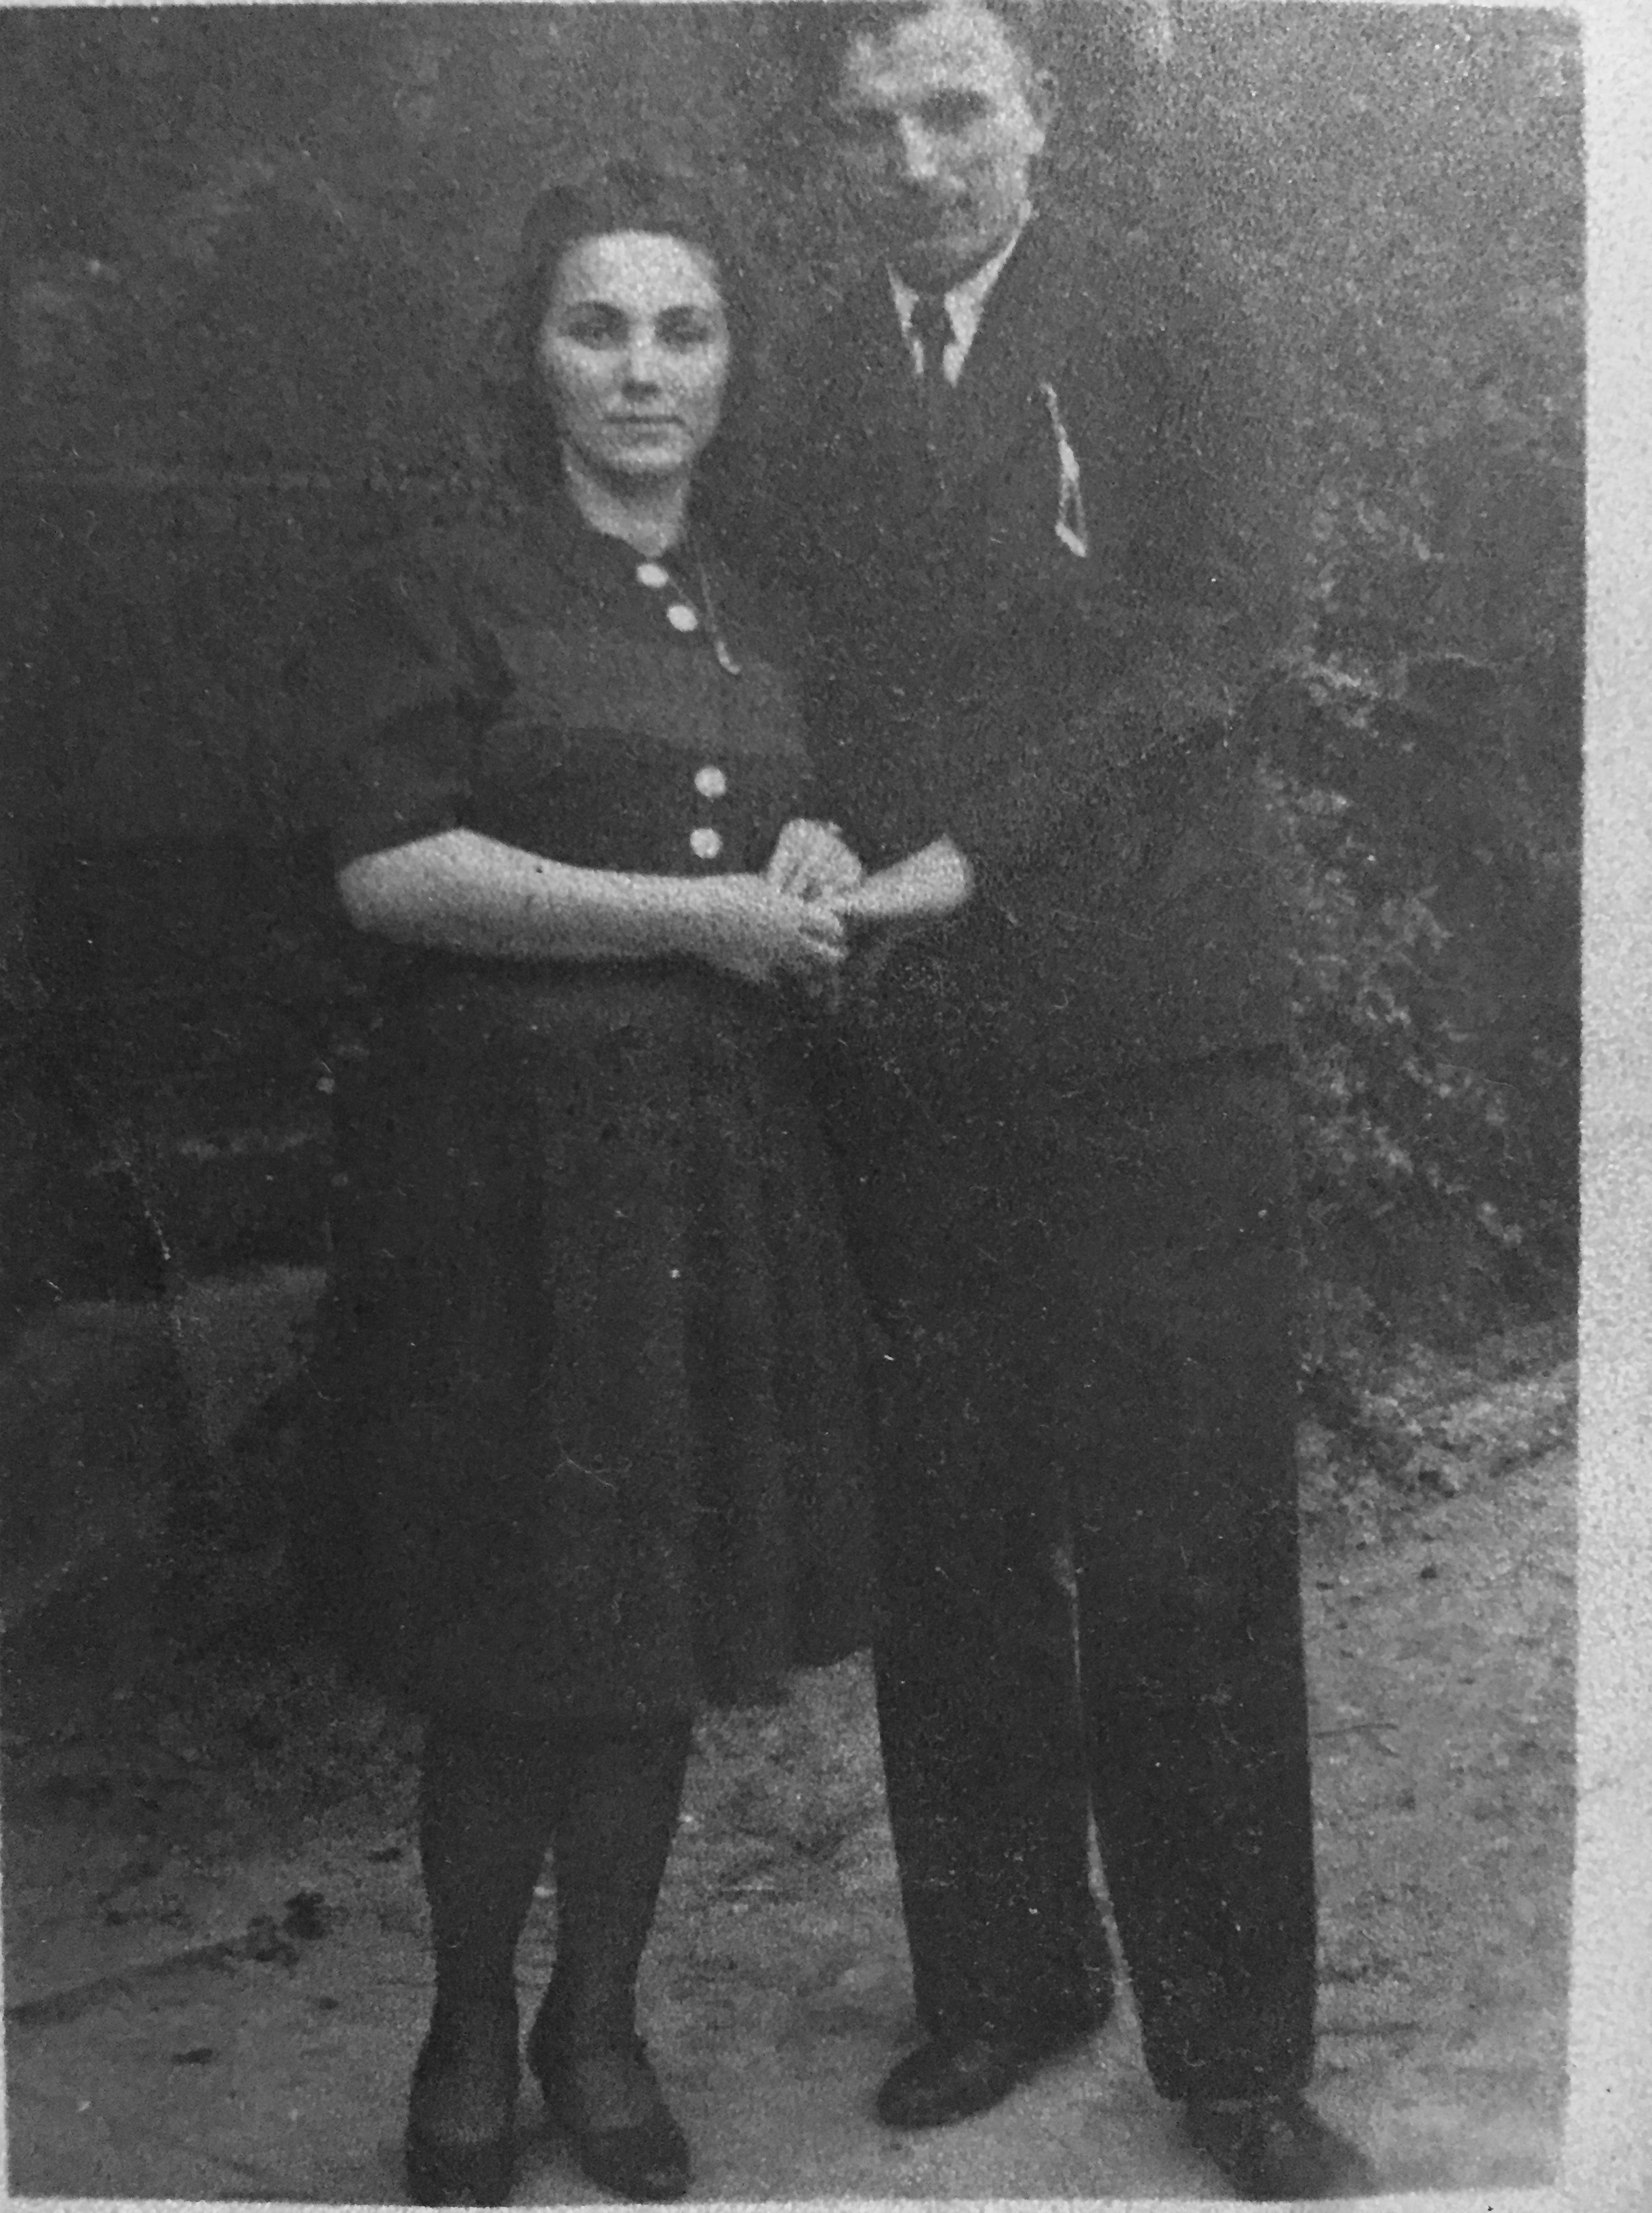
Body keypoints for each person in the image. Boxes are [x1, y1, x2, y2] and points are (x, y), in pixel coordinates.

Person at [759, 3, 1379, 2198]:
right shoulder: (811, 368)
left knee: (1186, 1547)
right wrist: (809, 829)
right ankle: (1009, 1978)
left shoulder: (1179, 315)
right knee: (952, 1541)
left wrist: (975, 850)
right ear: (834, 148)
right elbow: (777, 650)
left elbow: (1223, 633)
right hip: (916, 1051)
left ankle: (1235, 2055)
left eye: (958, 109)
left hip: (1153, 1033)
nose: (918, 158)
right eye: (873, 123)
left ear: (1037, 115)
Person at [303, 161, 874, 2208]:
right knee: (507, 1638)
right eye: (598, 326)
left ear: (733, 365)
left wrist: (802, 868)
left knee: (649, 1634)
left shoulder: (760, 599)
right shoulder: (447, 578)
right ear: (532, 353)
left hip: (708, 1179)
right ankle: (467, 2022)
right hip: (504, 1195)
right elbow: (394, 867)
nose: (644, 370)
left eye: (685, 330)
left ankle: (600, 2018)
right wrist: (697, 916)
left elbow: (780, 822)